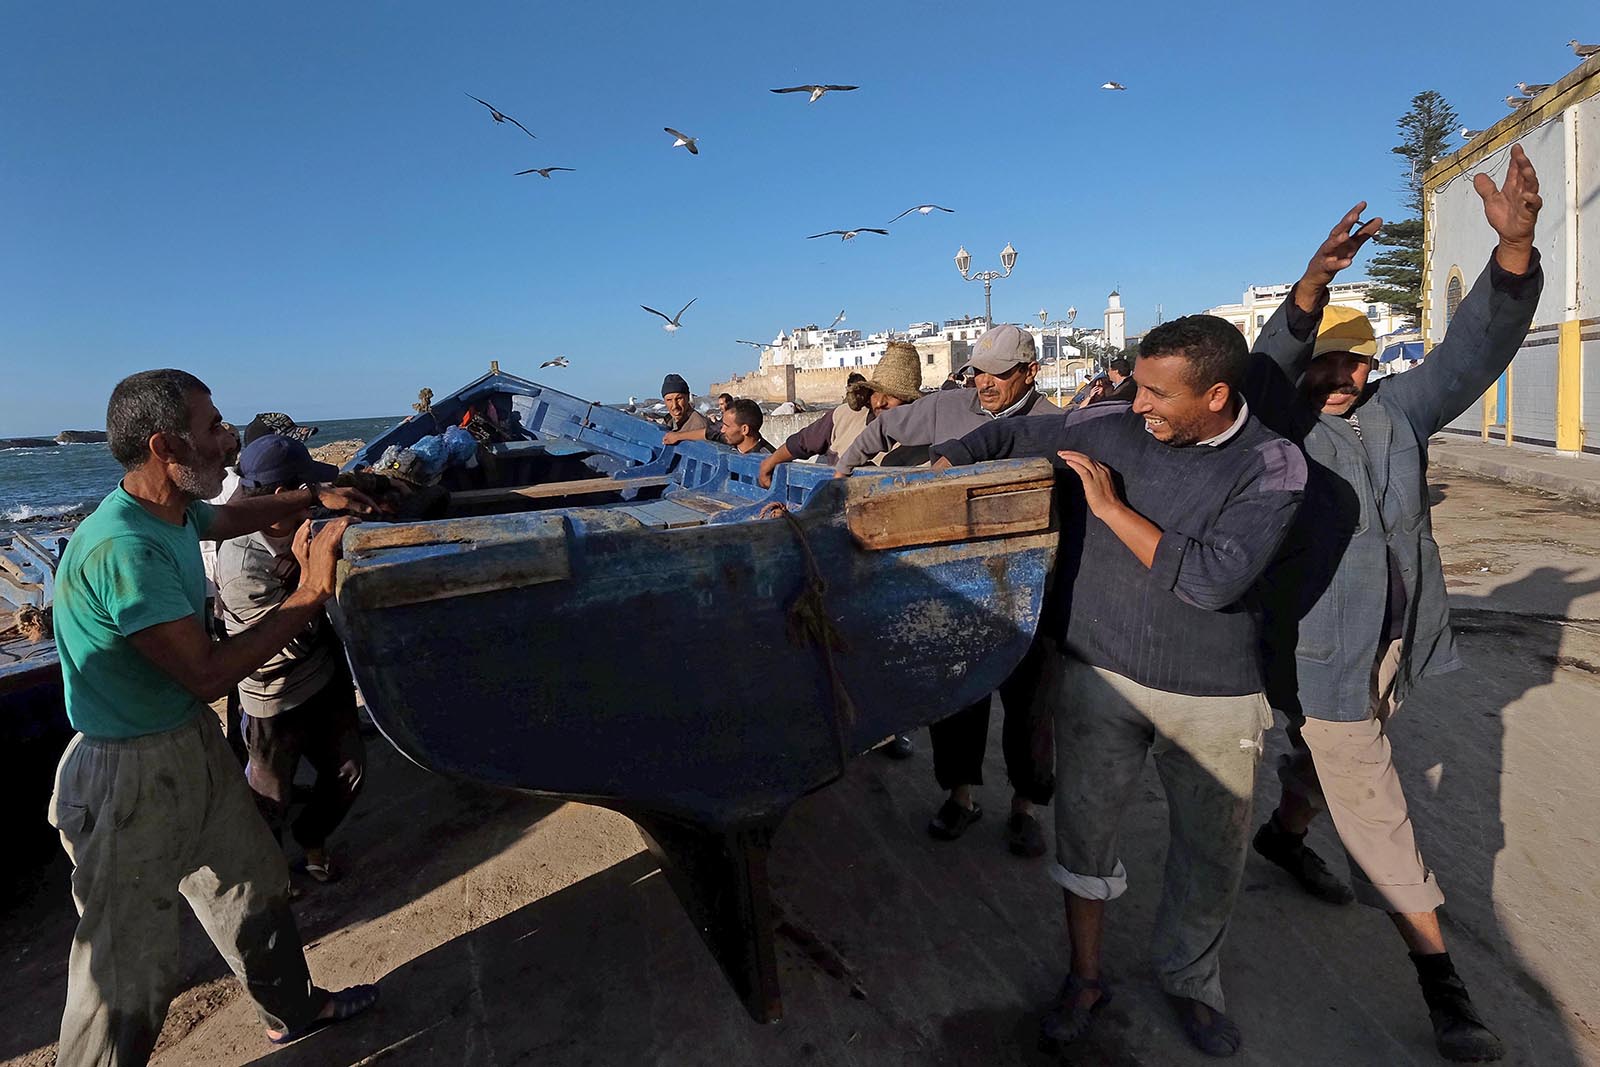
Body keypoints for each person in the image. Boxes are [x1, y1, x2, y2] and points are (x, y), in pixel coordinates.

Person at [930, 314, 1308, 1056]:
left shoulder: (1274, 466)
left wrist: (1109, 508)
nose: (1138, 404)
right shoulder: (1110, 425)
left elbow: (1207, 578)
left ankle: (1193, 981)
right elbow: (1007, 435)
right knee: (1086, 835)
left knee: (1210, 852)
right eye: (1138, 385)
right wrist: (946, 461)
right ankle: (1086, 974)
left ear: (1217, 394)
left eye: (1158, 394)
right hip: (1098, 676)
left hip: (1213, 695)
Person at [1246, 150, 1543, 1063]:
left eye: (1354, 358)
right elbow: (1260, 377)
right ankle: (1444, 987)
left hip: (1392, 642)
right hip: (1315, 651)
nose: (1340, 376)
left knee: (1327, 757)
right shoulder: (1279, 426)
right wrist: (1308, 287)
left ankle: (1283, 833)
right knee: (1376, 806)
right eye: (1324, 360)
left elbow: (1472, 351)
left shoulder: (1397, 412)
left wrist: (1516, 251)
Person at [48, 369, 382, 1063]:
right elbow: (205, 671)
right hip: (126, 775)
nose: (230, 438)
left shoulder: (170, 510)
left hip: (185, 741)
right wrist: (312, 591)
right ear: (165, 444)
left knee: (253, 885)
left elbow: (231, 515)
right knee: (126, 973)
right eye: (214, 427)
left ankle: (292, 1009)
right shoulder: (125, 551)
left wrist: (315, 492)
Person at [837, 325, 1058, 856]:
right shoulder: (945, 407)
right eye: (979, 370)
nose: (984, 382)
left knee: (1032, 708)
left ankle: (1026, 809)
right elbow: (880, 430)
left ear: (1030, 372)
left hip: (1036, 588)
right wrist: (842, 473)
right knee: (958, 699)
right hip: (959, 586)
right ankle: (962, 798)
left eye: (999, 374)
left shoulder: (1058, 423)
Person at [216, 434, 367, 886]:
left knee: (349, 770)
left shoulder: (306, 520)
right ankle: (266, 877)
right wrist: (312, 578)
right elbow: (276, 645)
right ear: (283, 497)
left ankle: (312, 838)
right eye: (305, 490)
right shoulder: (242, 563)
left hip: (325, 677)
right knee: (269, 796)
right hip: (274, 698)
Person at [756, 341, 924, 488]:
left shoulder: (925, 439)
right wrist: (770, 463)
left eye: (892, 396)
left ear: (910, 401)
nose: (880, 402)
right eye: (875, 393)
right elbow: (802, 442)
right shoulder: (844, 415)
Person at [660, 374, 711, 445]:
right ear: (664, 401)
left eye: (679, 399)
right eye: (669, 400)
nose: (675, 406)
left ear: (687, 398)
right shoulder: (669, 420)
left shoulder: (699, 425)